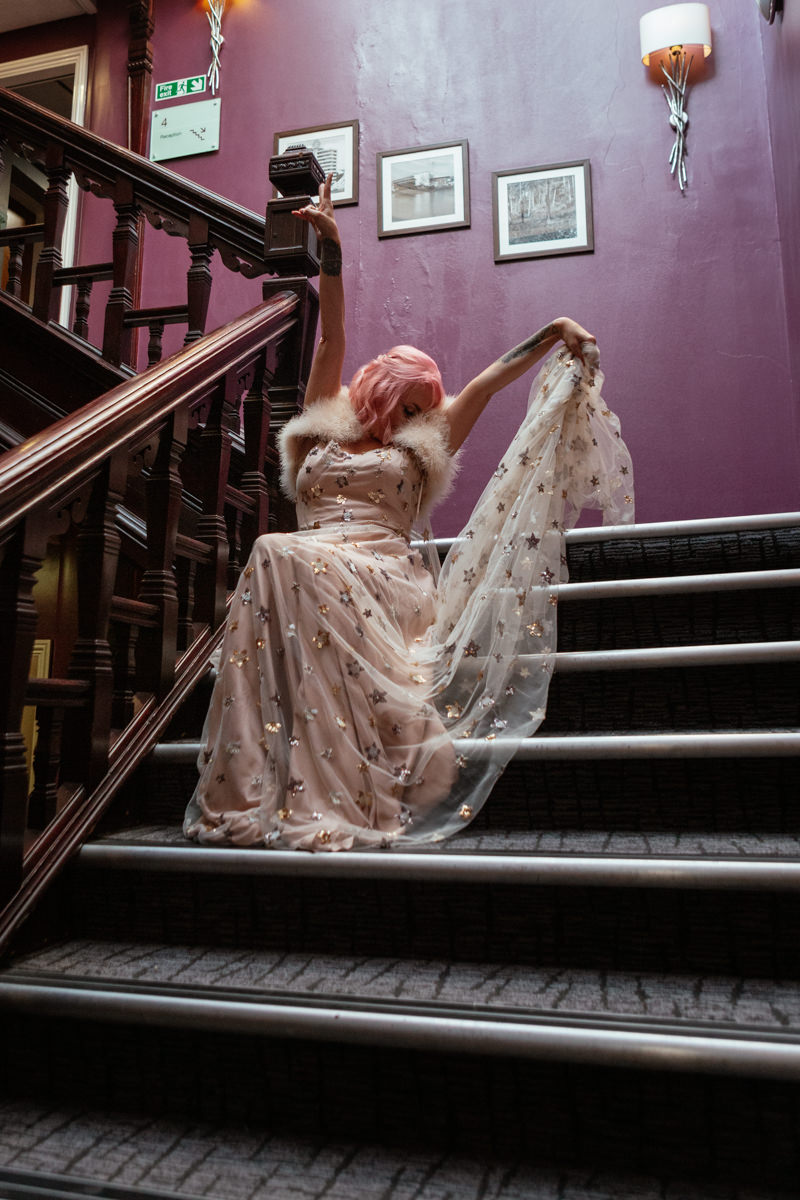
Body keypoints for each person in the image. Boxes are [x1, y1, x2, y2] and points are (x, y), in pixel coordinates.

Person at [183, 175, 633, 852]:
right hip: (309, 561)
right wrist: (331, 248)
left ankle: (323, 793)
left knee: (276, 552)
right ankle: (251, 785)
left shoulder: (424, 444)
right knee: (278, 552)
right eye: (413, 404)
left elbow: (485, 381)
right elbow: (331, 334)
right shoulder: (324, 424)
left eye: (427, 408)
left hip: (380, 573)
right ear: (382, 391)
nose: (423, 416)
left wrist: (552, 331)